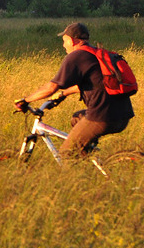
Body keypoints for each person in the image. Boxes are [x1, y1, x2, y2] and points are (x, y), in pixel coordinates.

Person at [13, 21, 134, 155]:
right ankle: (85, 156)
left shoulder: (76, 56)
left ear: (72, 40)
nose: (63, 45)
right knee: (76, 118)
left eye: (64, 41)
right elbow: (91, 83)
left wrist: (25, 100)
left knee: (66, 153)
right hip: (123, 114)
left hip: (102, 116)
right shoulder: (95, 53)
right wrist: (63, 94)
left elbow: (51, 87)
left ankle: (77, 171)